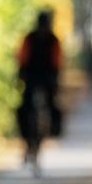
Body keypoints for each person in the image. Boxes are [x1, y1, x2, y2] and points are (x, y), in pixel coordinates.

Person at [17, 11, 63, 174]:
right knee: (27, 109)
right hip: (37, 78)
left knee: (31, 108)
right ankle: (44, 133)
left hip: (39, 78)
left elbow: (22, 59)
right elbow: (23, 58)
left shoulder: (36, 38)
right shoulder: (50, 39)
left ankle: (51, 130)